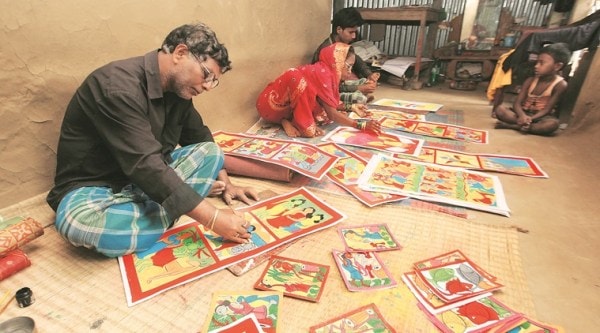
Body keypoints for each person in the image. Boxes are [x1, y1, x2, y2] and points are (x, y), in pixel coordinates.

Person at [46, 23, 259, 257]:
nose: (208, 86)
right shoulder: (117, 87)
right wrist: (213, 218)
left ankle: (163, 208)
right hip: (96, 188)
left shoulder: (179, 92)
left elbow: (200, 137)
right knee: (80, 225)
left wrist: (227, 183)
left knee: (211, 153)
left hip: (144, 184)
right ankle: (173, 206)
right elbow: (146, 166)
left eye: (213, 81)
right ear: (180, 53)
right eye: (207, 74)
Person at [256, 43, 382, 138]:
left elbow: (329, 102)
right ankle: (286, 120)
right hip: (272, 105)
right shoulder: (324, 74)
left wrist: (352, 107)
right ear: (338, 62)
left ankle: (288, 120)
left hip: (291, 104)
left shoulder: (329, 74)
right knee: (296, 78)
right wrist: (361, 125)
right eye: (348, 66)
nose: (350, 72)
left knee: (319, 107)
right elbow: (331, 112)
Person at [494, 43, 571, 135]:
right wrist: (522, 116)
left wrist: (530, 119)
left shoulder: (560, 84)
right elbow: (517, 103)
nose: (536, 66)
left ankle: (513, 126)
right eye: (537, 62)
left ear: (557, 66)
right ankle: (526, 126)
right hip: (523, 113)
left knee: (552, 124)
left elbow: (547, 109)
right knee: (500, 110)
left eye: (541, 63)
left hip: (540, 117)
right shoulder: (530, 80)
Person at [312, 7, 381, 109]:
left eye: (355, 32)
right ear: (339, 29)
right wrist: (358, 88)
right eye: (350, 32)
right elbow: (329, 85)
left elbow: (356, 59)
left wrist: (369, 74)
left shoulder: (343, 44)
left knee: (363, 81)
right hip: (327, 89)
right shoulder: (327, 50)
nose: (354, 36)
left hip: (340, 83)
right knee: (357, 96)